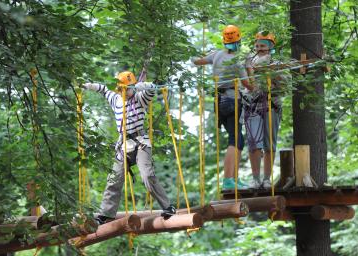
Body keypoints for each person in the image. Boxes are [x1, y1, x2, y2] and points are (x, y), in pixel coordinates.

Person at [83, 71, 176, 224]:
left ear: (133, 87)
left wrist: (140, 86)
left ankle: (167, 206)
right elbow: (102, 88)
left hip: (141, 143)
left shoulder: (140, 98)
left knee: (147, 175)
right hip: (123, 145)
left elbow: (152, 88)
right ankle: (106, 214)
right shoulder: (115, 98)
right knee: (114, 178)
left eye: (127, 89)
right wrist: (86, 86)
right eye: (121, 89)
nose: (124, 92)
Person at [192, 25, 254, 190]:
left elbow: (197, 61)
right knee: (235, 139)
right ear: (238, 40)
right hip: (233, 100)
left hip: (219, 101)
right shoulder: (238, 62)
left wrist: (197, 52)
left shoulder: (217, 55)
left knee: (238, 140)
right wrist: (253, 73)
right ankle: (227, 180)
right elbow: (248, 85)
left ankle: (234, 179)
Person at [244, 32, 287, 189]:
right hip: (252, 105)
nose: (259, 48)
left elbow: (285, 85)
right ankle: (255, 179)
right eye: (257, 46)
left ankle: (267, 179)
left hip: (271, 104)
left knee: (269, 143)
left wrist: (274, 80)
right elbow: (244, 83)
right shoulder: (248, 62)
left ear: (270, 47)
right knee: (253, 143)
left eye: (262, 46)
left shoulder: (276, 63)